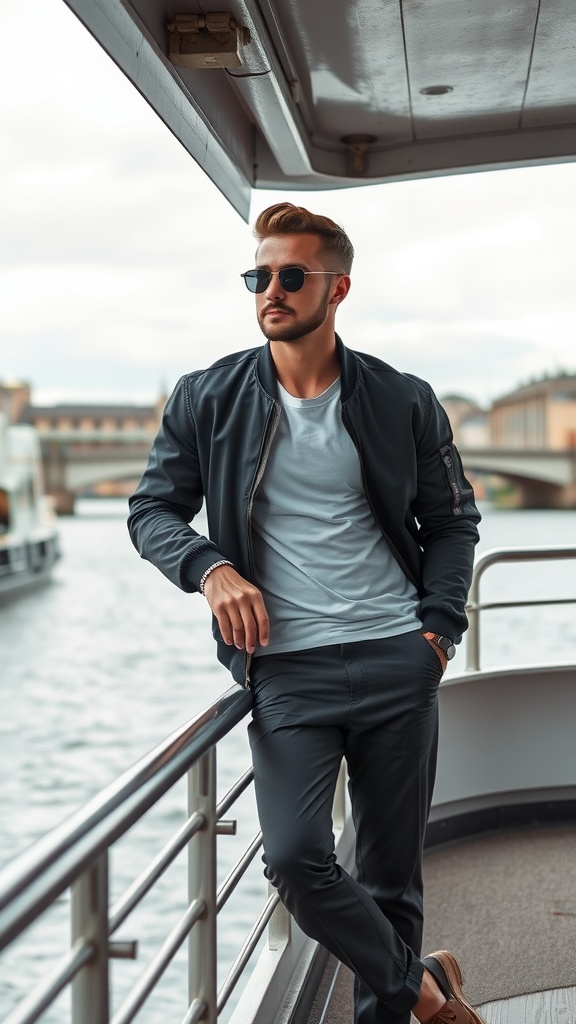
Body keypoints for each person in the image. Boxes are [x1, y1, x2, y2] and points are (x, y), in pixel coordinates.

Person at [128, 203, 484, 1024]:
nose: (272, 291)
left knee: (391, 879)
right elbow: (152, 511)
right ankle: (427, 987)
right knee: (294, 859)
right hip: (285, 670)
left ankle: (398, 1005)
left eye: (292, 275)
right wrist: (209, 567)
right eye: (260, 276)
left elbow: (454, 520)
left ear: (339, 287)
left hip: (398, 656)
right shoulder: (207, 397)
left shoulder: (402, 400)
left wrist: (437, 633)